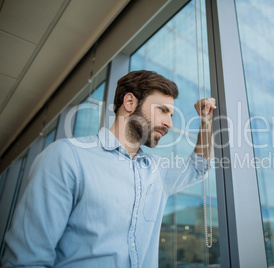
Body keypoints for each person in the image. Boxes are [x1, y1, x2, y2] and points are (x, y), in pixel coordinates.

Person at [1, 70, 216, 267]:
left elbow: (198, 168)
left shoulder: (156, 171)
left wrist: (206, 122)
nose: (169, 123)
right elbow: (27, 260)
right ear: (130, 102)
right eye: (163, 110)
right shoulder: (67, 157)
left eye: (171, 115)